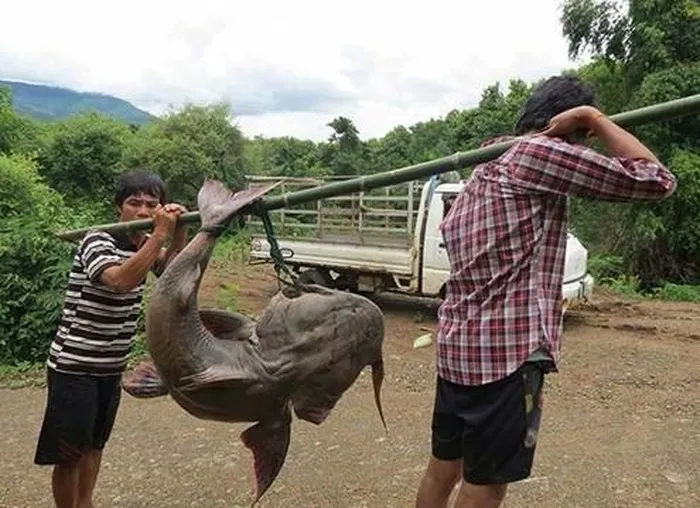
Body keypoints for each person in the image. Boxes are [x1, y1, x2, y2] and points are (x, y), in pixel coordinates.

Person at [415, 75, 677, 508]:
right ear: (572, 130)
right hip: (506, 358)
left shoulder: (489, 159)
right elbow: (656, 180)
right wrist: (594, 117)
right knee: (485, 483)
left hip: (457, 349)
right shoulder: (541, 153)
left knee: (442, 468)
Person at [33, 169, 189, 508]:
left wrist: (178, 236)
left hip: (110, 367)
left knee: (94, 446)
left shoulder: (143, 244)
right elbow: (120, 281)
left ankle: (85, 503)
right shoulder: (97, 240)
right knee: (69, 454)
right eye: (135, 203)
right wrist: (159, 237)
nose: (144, 211)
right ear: (119, 207)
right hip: (74, 366)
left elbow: (168, 273)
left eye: (152, 204)